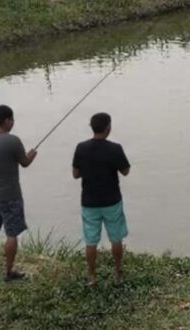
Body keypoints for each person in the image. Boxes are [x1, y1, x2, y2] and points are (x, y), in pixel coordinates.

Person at [0, 105, 37, 282]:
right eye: (12, 119)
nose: (13, 123)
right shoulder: (12, 141)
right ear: (6, 121)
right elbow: (24, 162)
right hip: (9, 194)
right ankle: (9, 271)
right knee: (12, 234)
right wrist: (32, 155)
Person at [72, 112, 131, 285]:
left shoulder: (80, 148)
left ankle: (92, 276)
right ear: (108, 128)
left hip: (89, 202)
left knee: (91, 241)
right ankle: (118, 273)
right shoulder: (115, 148)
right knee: (116, 238)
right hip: (112, 200)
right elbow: (125, 171)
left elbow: (75, 174)